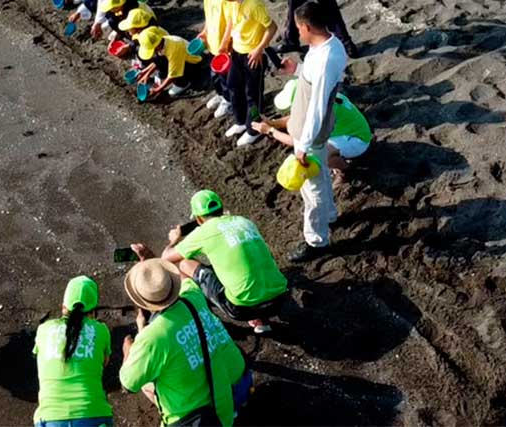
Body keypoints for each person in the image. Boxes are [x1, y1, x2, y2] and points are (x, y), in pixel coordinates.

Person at [119, 258, 250, 427]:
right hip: (234, 395)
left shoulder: (152, 337)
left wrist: (129, 349)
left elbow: (128, 384)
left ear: (141, 302)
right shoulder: (193, 296)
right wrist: (156, 267)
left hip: (199, 420)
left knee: (146, 382)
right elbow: (184, 279)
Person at [275, 3, 348, 263]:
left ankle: (317, 240)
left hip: (311, 135)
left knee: (312, 189)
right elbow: (312, 81)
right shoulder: (324, 47)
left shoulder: (328, 59)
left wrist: (303, 145)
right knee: (321, 180)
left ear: (306, 27)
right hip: (308, 130)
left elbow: (318, 106)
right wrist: (295, 71)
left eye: (298, 28)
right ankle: (330, 215)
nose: (298, 33)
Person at [159, 190, 288, 335]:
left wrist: (174, 240)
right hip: (280, 299)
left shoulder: (204, 232)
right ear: (221, 209)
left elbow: (166, 257)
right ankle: (261, 320)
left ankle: (197, 309)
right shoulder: (244, 221)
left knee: (184, 263)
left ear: (199, 219)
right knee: (250, 265)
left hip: (241, 308)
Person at [33, 276, 114, 427]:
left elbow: (40, 356)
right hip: (94, 413)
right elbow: (104, 362)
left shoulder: (43, 330)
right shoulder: (101, 330)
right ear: (93, 310)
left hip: (50, 417)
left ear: (64, 306)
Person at [253, 91, 372, 186]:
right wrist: (274, 123)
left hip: (358, 140)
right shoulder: (320, 96)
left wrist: (270, 131)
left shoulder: (320, 116)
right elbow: (295, 116)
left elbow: (298, 143)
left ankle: (345, 170)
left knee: (322, 155)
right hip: (353, 129)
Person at [214, 0, 277, 147]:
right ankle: (241, 122)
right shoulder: (229, 1)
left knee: (252, 95)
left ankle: (253, 130)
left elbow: (271, 27)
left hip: (253, 55)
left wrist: (259, 49)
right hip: (236, 51)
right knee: (233, 86)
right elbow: (230, 23)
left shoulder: (254, 4)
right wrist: (225, 42)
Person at [193, 0, 231, 119]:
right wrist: (204, 31)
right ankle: (221, 94)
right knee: (215, 74)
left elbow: (231, 22)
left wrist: (225, 43)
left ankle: (228, 100)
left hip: (225, 45)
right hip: (213, 43)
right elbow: (209, 16)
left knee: (226, 76)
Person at [134, 26, 202, 99]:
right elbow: (158, 61)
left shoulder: (173, 49)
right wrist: (146, 74)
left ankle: (182, 84)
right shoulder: (161, 42)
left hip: (193, 64)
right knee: (158, 59)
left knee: (169, 67)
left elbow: (173, 74)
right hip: (179, 59)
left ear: (156, 46)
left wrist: (158, 90)